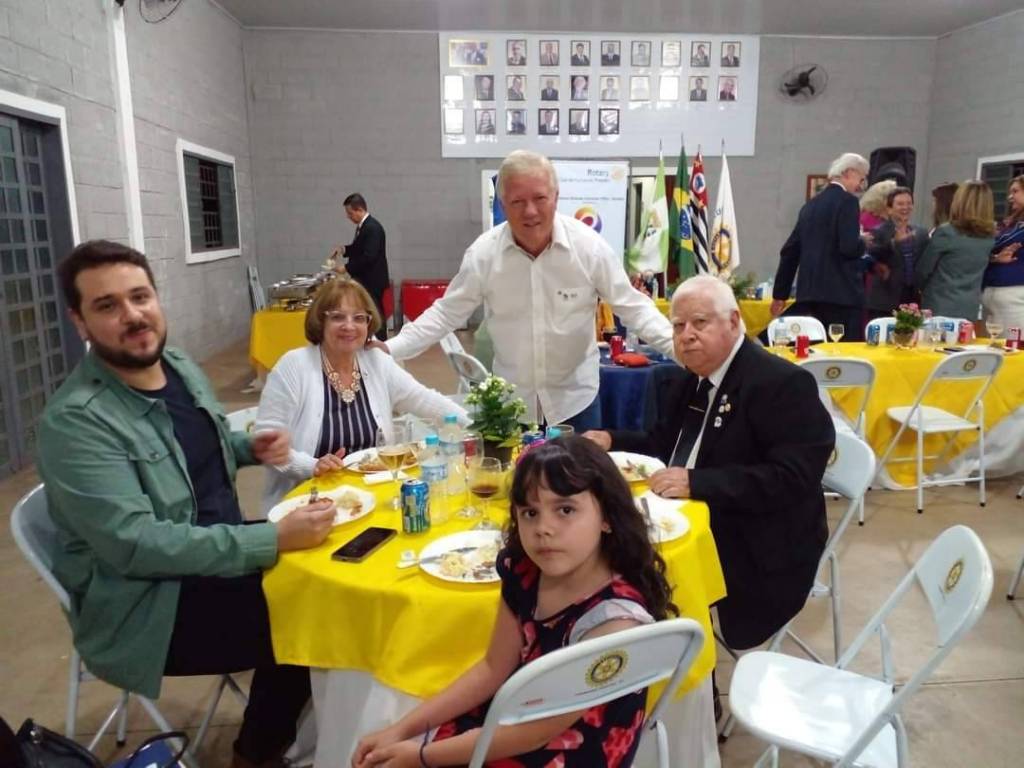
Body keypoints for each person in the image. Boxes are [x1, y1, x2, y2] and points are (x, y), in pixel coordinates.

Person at [38, 240, 337, 768]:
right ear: (79, 322)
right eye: (107, 305)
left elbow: (192, 451)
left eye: (140, 297)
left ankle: (320, 732)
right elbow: (138, 545)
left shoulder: (174, 365)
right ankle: (256, 754)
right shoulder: (76, 423)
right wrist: (271, 539)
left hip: (216, 556)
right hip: (150, 605)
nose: (133, 315)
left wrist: (246, 448)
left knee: (338, 562)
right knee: (319, 615)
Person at [351, 437, 677, 768]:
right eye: (530, 513)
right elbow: (493, 668)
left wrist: (421, 757)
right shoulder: (525, 571)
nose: (543, 529)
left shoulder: (614, 621)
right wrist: (402, 729)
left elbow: (537, 732)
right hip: (520, 711)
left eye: (565, 510)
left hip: (571, 747)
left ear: (606, 515)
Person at [584, 275, 833, 649]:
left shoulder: (781, 384)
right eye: (678, 326)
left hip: (759, 538)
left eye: (700, 323)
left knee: (620, 552)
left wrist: (695, 483)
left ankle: (667, 660)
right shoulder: (694, 377)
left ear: (733, 322)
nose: (686, 335)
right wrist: (610, 440)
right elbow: (662, 444)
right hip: (692, 511)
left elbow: (793, 477)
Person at [378, 150, 674, 431]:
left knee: (579, 470)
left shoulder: (588, 249)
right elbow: (446, 313)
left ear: (556, 197)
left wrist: (678, 347)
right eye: (517, 201)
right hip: (512, 406)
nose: (530, 211)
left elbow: (632, 307)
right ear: (503, 204)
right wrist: (391, 348)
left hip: (576, 403)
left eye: (540, 198)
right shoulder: (484, 255)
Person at [256, 279, 467, 512]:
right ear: (320, 321)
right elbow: (267, 444)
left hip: (374, 497)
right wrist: (312, 465)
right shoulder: (294, 366)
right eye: (337, 317)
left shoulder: (376, 361)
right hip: (309, 503)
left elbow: (425, 400)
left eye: (359, 318)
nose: (349, 326)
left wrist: (477, 427)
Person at [771, 152, 871, 341]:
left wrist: (780, 294)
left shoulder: (809, 206)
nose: (861, 186)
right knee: (842, 354)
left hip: (808, 296)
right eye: (861, 178)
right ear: (849, 172)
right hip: (842, 296)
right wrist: (862, 242)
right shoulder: (848, 202)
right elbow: (848, 247)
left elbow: (790, 251)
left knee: (814, 350)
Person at [915, 180, 995, 322]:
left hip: (939, 308)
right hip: (969, 309)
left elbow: (923, 271)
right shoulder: (989, 238)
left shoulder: (947, 232)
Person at [330, 193, 390, 341]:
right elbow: (358, 248)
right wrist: (343, 249)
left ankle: (381, 342)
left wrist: (346, 268)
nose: (348, 217)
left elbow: (369, 256)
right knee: (369, 311)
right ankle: (370, 339)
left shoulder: (373, 228)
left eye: (350, 213)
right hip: (365, 279)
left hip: (372, 280)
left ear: (359, 210)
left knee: (375, 311)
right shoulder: (363, 227)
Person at [865, 187, 930, 318]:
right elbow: (872, 256)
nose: (905, 207)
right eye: (900, 204)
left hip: (912, 301)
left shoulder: (921, 233)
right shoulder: (878, 232)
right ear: (889, 209)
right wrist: (894, 242)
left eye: (909, 203)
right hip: (885, 301)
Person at [982, 174, 1024, 331]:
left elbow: (996, 244)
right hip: (992, 300)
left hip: (1014, 301)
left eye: (1015, 191)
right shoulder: (1010, 224)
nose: (1010, 197)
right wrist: (994, 258)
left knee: (1013, 345)